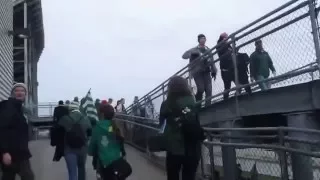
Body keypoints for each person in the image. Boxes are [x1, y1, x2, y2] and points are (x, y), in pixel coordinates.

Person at [159, 76, 204, 180]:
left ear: (170, 88)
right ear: (185, 86)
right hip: (192, 147)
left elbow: (162, 127)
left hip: (174, 148)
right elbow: (196, 122)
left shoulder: (166, 104)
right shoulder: (193, 102)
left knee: (172, 176)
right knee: (189, 176)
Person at [0, 83, 35, 180]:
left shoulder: (19, 108)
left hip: (19, 151)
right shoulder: (8, 107)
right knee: (28, 177)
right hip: (13, 152)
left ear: (25, 94)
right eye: (16, 91)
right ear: (12, 93)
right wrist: (4, 152)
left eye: (22, 91)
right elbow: (2, 129)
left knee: (8, 176)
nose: (19, 93)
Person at [88, 103, 127, 180]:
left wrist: (91, 152)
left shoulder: (97, 128)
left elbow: (91, 149)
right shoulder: (115, 126)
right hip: (118, 162)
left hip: (104, 164)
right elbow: (121, 142)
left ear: (102, 114)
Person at [58, 101, 92, 180]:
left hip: (69, 149)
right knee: (81, 169)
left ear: (69, 109)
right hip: (83, 148)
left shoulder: (64, 119)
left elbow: (58, 133)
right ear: (78, 108)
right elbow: (90, 133)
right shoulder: (85, 119)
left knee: (72, 172)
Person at [182, 34, 217, 105]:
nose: (203, 40)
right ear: (199, 40)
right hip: (197, 72)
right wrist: (193, 53)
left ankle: (208, 106)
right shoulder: (195, 49)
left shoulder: (208, 50)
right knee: (201, 89)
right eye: (201, 38)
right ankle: (198, 104)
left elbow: (212, 61)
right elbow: (184, 56)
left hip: (207, 71)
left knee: (209, 90)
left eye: (204, 38)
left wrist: (214, 70)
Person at [217, 32, 235, 100]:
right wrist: (229, 51)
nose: (226, 39)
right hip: (225, 68)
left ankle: (238, 95)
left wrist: (232, 49)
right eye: (225, 37)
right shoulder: (219, 44)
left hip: (231, 67)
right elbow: (223, 55)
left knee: (237, 82)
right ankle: (225, 99)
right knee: (227, 86)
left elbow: (233, 50)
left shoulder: (227, 44)